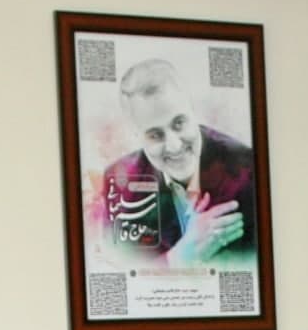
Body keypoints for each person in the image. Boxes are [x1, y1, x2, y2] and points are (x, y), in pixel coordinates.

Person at [101, 58, 256, 266]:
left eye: (179, 123)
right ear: (136, 135)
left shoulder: (248, 169)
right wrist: (178, 258)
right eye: (155, 135)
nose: (174, 146)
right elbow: (118, 272)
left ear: (193, 111)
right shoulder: (120, 181)